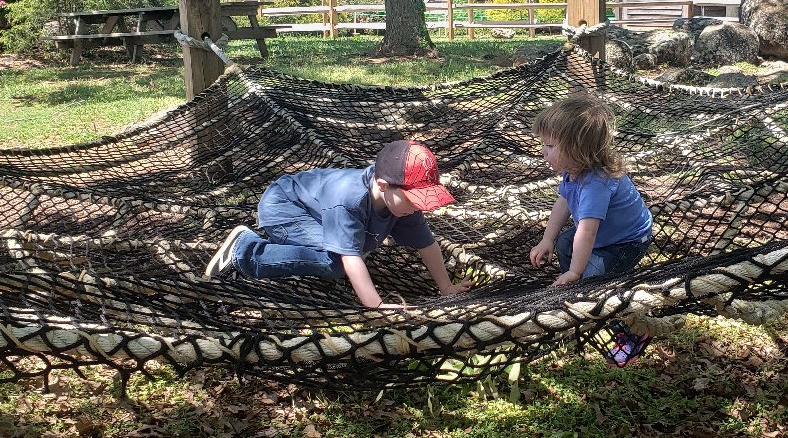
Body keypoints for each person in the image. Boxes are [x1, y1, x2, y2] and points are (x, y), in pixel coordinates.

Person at [204, 139, 472, 309]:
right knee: (334, 263)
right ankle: (247, 251)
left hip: (313, 211)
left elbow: (427, 244)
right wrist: (375, 305)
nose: (418, 206)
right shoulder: (350, 199)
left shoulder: (400, 202)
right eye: (413, 199)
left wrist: (446, 287)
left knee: (355, 248)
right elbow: (350, 257)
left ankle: (280, 247)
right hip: (284, 208)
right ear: (383, 185)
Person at [528, 95, 654, 366]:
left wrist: (576, 272)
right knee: (563, 243)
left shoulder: (596, 183)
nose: (543, 151)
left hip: (627, 241)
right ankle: (575, 290)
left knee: (597, 283)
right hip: (604, 236)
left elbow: (587, 232)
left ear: (576, 150)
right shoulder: (572, 170)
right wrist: (547, 239)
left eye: (549, 146)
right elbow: (563, 201)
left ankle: (631, 334)